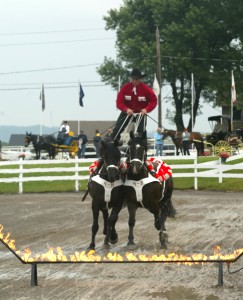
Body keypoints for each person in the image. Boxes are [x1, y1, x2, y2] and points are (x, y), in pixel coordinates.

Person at [111, 68, 157, 144]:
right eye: (133, 79)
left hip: (141, 113)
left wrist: (146, 109)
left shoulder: (146, 89)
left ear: (140, 79)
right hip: (127, 112)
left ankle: (140, 145)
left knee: (141, 130)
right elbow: (119, 102)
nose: (135, 81)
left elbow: (154, 101)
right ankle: (115, 142)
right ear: (131, 78)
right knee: (117, 129)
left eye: (137, 79)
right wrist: (126, 109)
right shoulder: (125, 88)